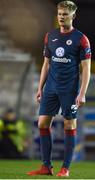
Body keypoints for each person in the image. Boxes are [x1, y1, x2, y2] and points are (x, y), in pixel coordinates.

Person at [27, 0, 91, 177]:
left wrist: (82, 93)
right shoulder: (50, 36)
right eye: (59, 14)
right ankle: (46, 167)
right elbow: (46, 64)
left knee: (69, 124)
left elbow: (86, 68)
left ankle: (66, 168)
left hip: (69, 89)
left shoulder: (81, 39)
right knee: (42, 123)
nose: (61, 17)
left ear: (73, 16)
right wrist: (40, 87)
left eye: (65, 14)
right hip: (51, 88)